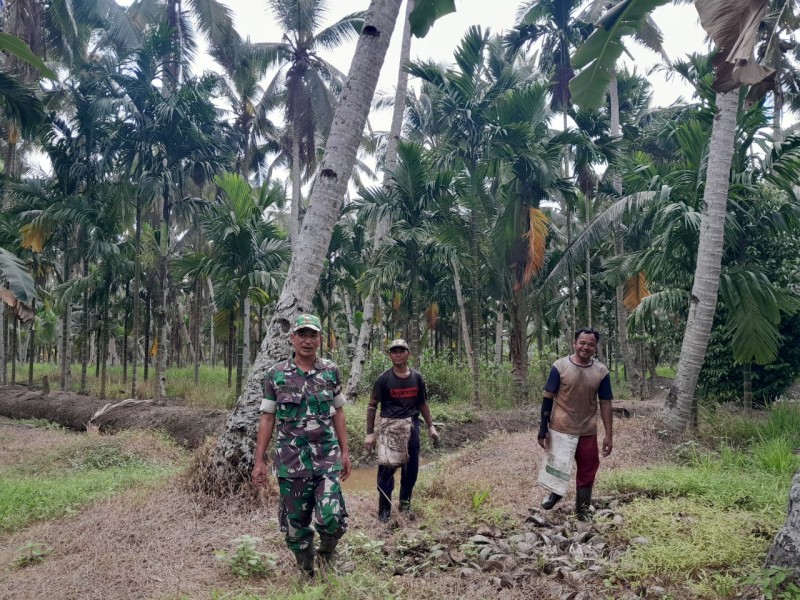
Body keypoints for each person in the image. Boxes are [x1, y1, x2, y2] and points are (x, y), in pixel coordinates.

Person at [251, 314, 351, 576]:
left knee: (332, 518)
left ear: (320, 339)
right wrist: (259, 461)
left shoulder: (330, 371)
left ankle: (327, 555)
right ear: (292, 338)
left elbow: (339, 412)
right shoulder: (275, 375)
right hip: (291, 462)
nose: (308, 341)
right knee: (296, 527)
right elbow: (267, 418)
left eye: (313, 335)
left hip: (326, 458)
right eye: (302, 335)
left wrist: (345, 452)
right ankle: (306, 571)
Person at [537, 327, 613, 521]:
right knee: (559, 466)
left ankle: (582, 511)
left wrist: (609, 434)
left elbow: (605, 402)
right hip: (560, 427)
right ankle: (555, 495)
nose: (585, 347)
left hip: (587, 430)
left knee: (588, 469)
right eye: (582, 343)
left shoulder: (601, 371)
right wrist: (543, 428)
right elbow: (548, 397)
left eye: (590, 344)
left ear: (595, 347)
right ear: (574, 343)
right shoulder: (560, 366)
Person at [365, 339, 439, 523]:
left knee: (411, 469)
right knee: (386, 470)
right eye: (394, 351)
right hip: (390, 427)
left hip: (412, 426)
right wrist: (370, 433)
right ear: (389, 355)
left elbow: (422, 403)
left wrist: (431, 426)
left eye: (401, 351)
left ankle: (405, 504)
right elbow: (372, 405)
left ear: (408, 354)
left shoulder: (417, 378)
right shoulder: (383, 379)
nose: (398, 354)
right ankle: (384, 510)